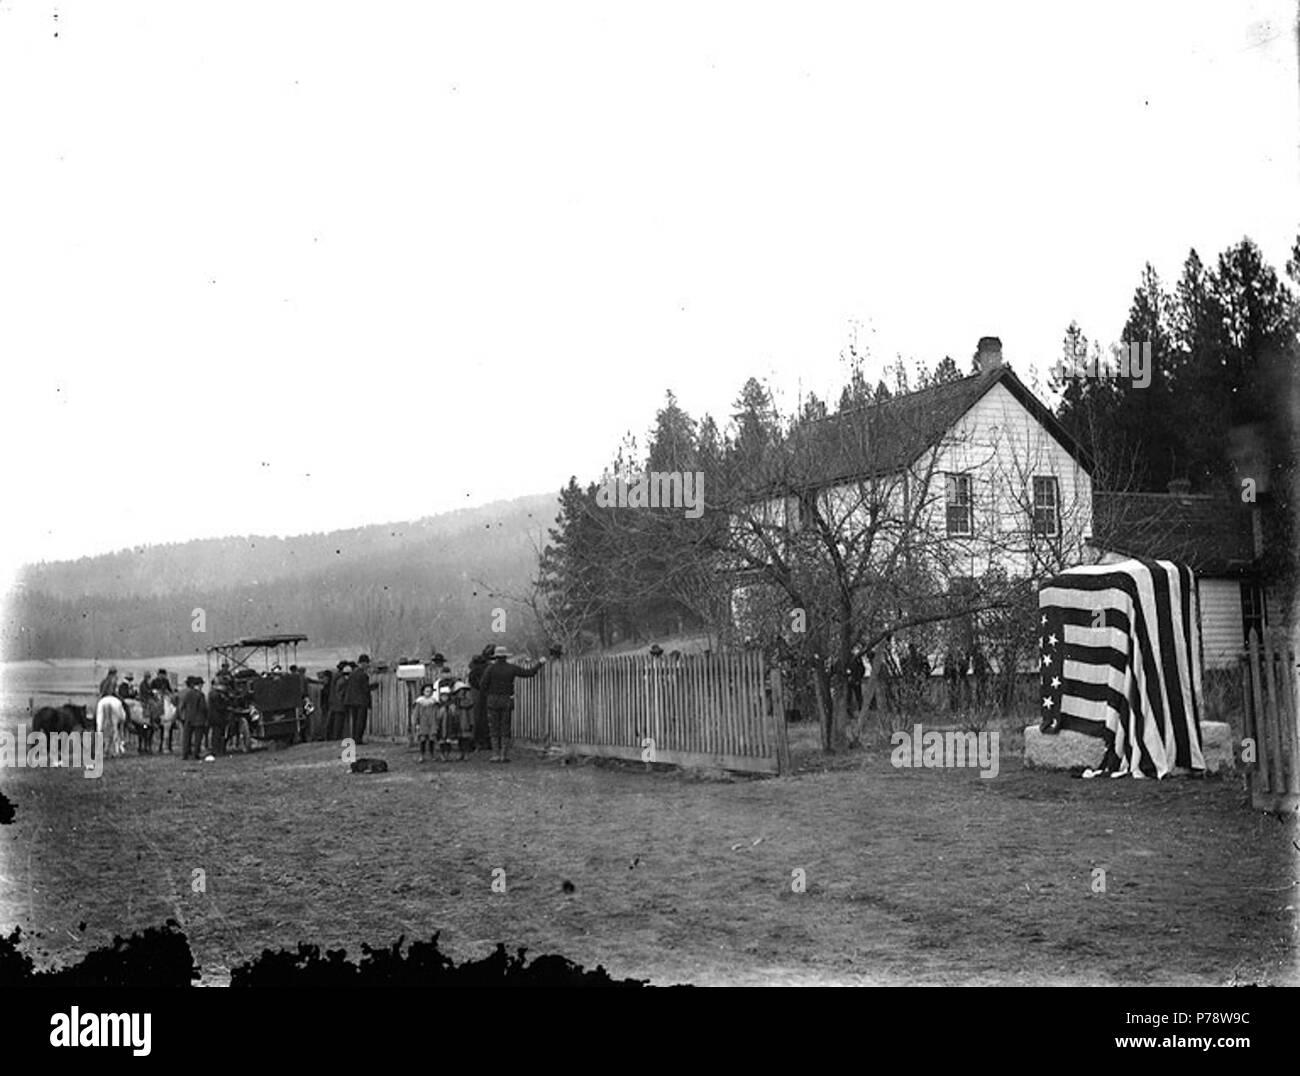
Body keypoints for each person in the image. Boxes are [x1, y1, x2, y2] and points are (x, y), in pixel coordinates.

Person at [477, 646, 546, 763]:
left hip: (493, 699)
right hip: (506, 699)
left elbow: (482, 685)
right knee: (505, 726)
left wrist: (490, 693)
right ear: (505, 656)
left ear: (496, 657)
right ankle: (504, 755)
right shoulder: (511, 668)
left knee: (493, 727)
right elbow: (529, 673)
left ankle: (495, 754)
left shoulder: (490, 669)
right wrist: (540, 663)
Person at [343, 654, 378, 745]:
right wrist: (374, 686)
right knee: (361, 721)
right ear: (363, 663)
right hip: (361, 701)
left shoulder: (352, 674)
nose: (367, 665)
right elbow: (365, 689)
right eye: (367, 663)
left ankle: (355, 738)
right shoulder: (363, 675)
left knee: (355, 721)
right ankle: (358, 739)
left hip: (352, 701)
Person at [178, 676, 210, 760]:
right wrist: (206, 716)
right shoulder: (200, 694)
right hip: (199, 719)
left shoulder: (188, 693)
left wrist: (183, 716)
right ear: (199, 685)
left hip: (188, 718)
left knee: (186, 738)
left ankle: (185, 755)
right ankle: (196, 754)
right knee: (197, 738)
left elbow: (182, 706)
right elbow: (203, 707)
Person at [467, 648, 492, 751]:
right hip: (486, 694)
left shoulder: (473, 671)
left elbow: (472, 682)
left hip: (476, 694)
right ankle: (486, 742)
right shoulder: (488, 668)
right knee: (486, 718)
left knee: (476, 719)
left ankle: (477, 742)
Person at [412, 683, 438, 762]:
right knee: (422, 740)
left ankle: (432, 755)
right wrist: (416, 723)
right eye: (427, 691)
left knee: (431, 740)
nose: (428, 693)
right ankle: (421, 755)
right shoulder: (420, 702)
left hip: (432, 723)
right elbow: (416, 713)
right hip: (423, 723)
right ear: (423, 692)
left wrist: (437, 723)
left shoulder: (434, 702)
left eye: (430, 691)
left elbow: (437, 713)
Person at [329, 661, 351, 740]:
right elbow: (340, 690)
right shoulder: (341, 678)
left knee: (336, 720)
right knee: (339, 721)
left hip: (334, 701)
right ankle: (337, 736)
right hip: (339, 702)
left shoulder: (335, 676)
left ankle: (335, 736)